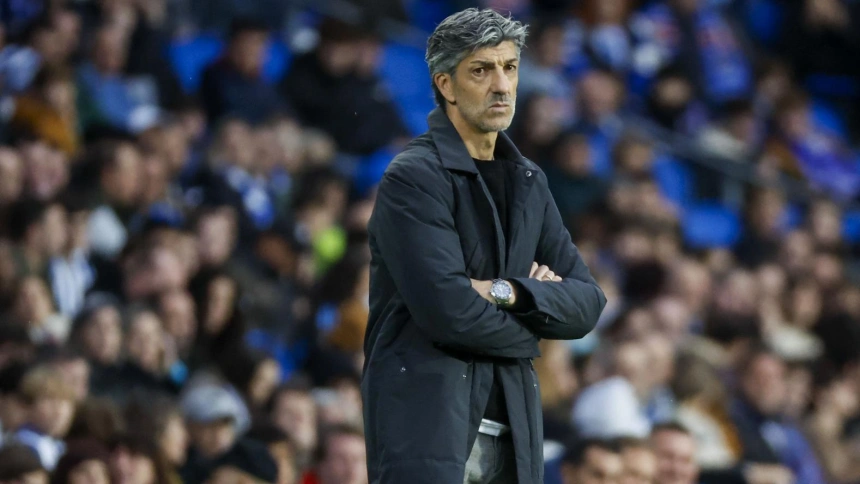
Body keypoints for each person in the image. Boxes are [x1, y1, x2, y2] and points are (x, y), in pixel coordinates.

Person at [363, 8, 607, 484]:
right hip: (430, 431)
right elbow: (448, 310)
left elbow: (587, 303)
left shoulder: (530, 181)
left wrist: (508, 292)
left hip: (515, 432)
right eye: (482, 70)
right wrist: (532, 333)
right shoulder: (413, 177)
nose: (502, 85)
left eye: (509, 67)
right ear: (446, 85)